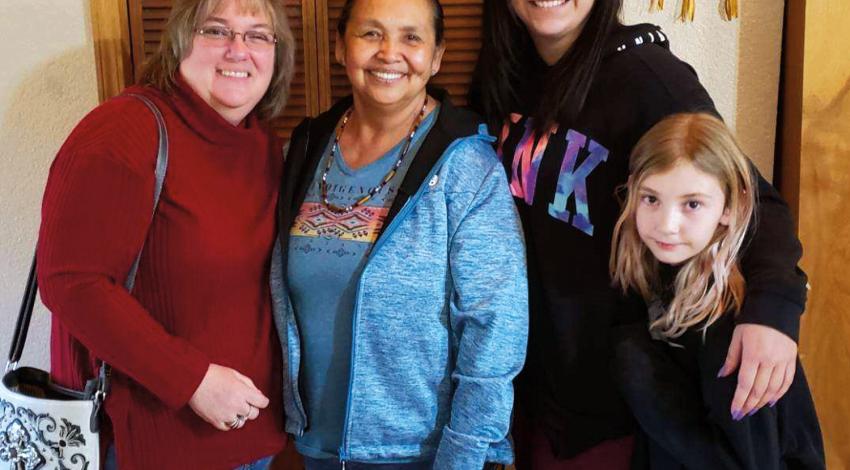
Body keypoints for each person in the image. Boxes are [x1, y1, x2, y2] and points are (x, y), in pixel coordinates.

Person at [469, 1, 807, 468]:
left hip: (612, 411)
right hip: (532, 389)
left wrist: (774, 310)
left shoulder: (649, 79)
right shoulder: (503, 77)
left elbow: (746, 197)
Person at [36, 0, 295, 468]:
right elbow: (70, 280)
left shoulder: (262, 147)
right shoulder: (124, 131)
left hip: (252, 437)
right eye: (216, 31)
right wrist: (193, 380)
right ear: (180, 42)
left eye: (258, 35)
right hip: (154, 446)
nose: (239, 49)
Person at [271, 0, 528, 468]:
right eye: (370, 34)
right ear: (339, 46)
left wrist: (463, 456)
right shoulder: (302, 150)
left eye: (411, 38)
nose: (389, 52)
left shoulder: (468, 167)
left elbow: (496, 332)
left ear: (436, 57)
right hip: (313, 449)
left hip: (425, 454)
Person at [609, 113, 824, 469]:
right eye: (651, 199)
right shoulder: (660, 282)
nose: (667, 225)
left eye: (692, 204)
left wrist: (637, 368)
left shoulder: (728, 326)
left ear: (731, 206)